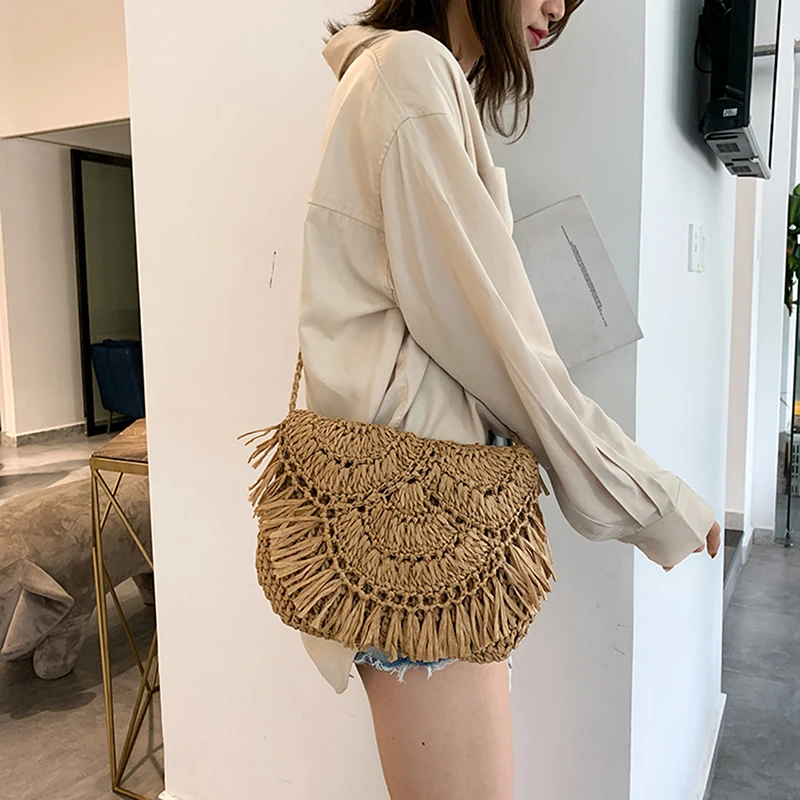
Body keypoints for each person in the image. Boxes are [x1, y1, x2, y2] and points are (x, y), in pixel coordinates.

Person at [297, 1, 722, 797]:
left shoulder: (407, 76)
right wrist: (650, 497)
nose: (558, 10)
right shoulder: (409, 74)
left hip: (420, 521)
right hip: (422, 536)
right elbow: (503, 349)